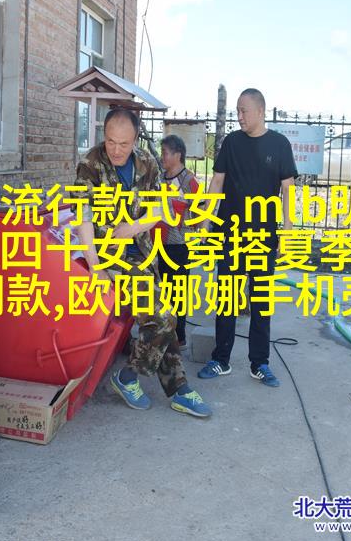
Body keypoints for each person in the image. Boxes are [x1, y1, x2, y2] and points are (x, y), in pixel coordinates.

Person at [75, 108, 212, 418]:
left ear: (136, 139)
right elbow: (83, 216)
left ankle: (175, 388)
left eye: (124, 144)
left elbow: (160, 210)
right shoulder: (91, 163)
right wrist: (95, 266)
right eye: (111, 141)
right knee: (163, 318)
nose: (116, 150)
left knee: (163, 316)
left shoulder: (148, 164)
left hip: (142, 253)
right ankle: (133, 379)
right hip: (109, 255)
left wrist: (133, 227)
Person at [197, 88, 298, 387]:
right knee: (227, 299)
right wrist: (206, 219)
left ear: (260, 111)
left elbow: (288, 188)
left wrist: (288, 230)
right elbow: (217, 181)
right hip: (230, 234)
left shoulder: (279, 144)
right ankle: (221, 359)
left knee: (261, 302)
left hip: (263, 237)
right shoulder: (232, 142)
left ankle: (260, 363)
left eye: (244, 111)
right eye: (237, 111)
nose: (239, 116)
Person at [157, 134, 200, 349]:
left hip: (179, 246)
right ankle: (162, 334)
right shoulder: (159, 178)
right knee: (160, 292)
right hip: (157, 243)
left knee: (177, 292)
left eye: (165, 153)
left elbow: (201, 213)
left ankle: (178, 337)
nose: (162, 156)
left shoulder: (189, 181)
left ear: (178, 155)